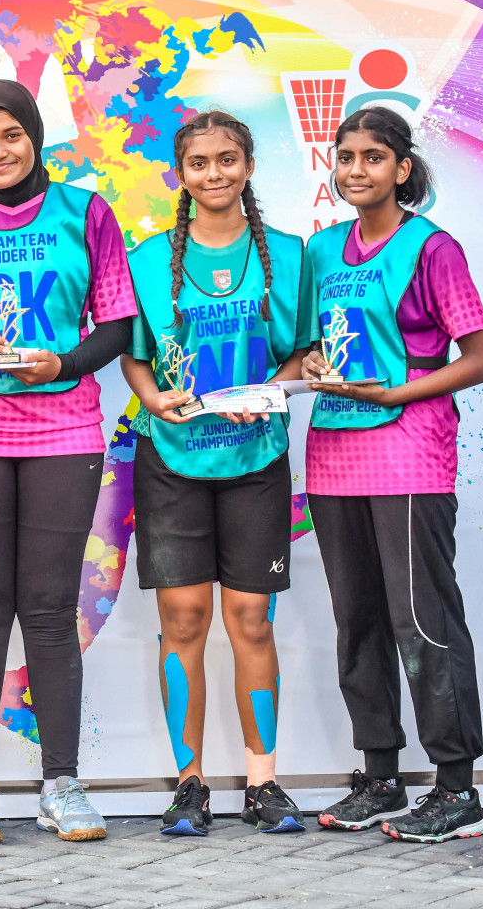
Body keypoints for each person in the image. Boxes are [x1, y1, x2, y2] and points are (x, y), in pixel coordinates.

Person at [0, 79, 136, 844]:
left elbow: (117, 324)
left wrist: (66, 364)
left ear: (36, 138)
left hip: (63, 431)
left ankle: (61, 783)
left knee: (47, 613)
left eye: (11, 135)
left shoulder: (87, 212)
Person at [304, 107, 483, 843]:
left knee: (423, 620)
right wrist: (315, 365)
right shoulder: (322, 251)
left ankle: (456, 789)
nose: (357, 170)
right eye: (346, 157)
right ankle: (380, 778)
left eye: (373, 158)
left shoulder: (431, 249)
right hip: (332, 455)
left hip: (409, 450)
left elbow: (482, 358)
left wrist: (396, 392)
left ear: (402, 169)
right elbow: (311, 348)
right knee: (359, 622)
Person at [122, 110, 313, 836]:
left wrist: (269, 393)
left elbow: (302, 353)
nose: (214, 174)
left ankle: (263, 782)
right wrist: (152, 400)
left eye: (227, 160)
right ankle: (190, 784)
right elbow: (134, 355)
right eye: (199, 163)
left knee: (250, 619)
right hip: (172, 459)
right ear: (182, 174)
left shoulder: (290, 257)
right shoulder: (148, 260)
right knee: (183, 621)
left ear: (249, 165)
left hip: (256, 459)